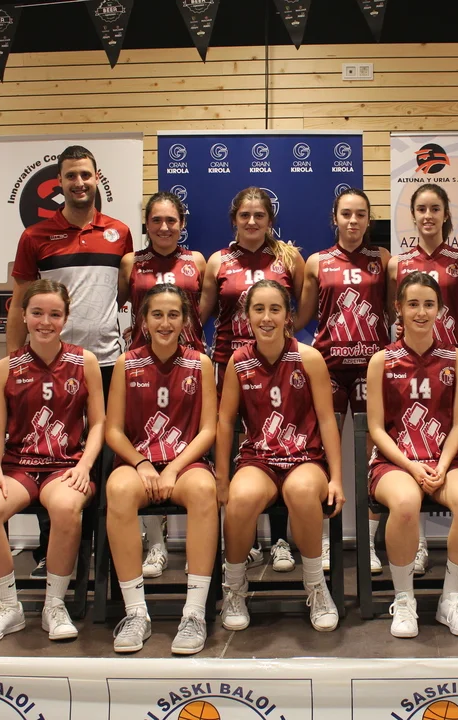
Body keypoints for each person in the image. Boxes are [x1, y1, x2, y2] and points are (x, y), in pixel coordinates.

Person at [7, 145, 133, 579]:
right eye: (71, 176)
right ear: (58, 183)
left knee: (101, 460)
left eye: (85, 175)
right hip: (50, 365)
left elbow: (121, 293)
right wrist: (15, 361)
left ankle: (96, 549)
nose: (79, 183)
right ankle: (52, 549)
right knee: (49, 452)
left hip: (107, 363)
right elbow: (19, 303)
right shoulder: (35, 236)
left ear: (96, 178)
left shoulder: (119, 233)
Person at [0, 280, 105, 643]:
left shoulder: (85, 362)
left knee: (65, 507)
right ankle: (8, 606)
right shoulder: (6, 367)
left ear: (66, 318)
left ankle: (54, 605)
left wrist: (84, 466)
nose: (46, 321)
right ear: (24, 316)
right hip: (19, 467)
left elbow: (99, 424)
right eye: (38, 313)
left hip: (66, 466)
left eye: (55, 314)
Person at [215, 280, 344, 633]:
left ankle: (315, 585)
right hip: (258, 459)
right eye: (259, 309)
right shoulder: (239, 362)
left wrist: (336, 478)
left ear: (288, 316)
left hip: (305, 458)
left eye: (275, 309)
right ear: (247, 316)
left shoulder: (309, 357)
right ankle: (235, 587)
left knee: (301, 492)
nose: (267, 317)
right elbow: (225, 422)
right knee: (241, 499)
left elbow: (327, 420)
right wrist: (223, 479)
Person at [366, 271, 458, 638]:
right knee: (404, 504)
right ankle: (404, 599)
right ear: (398, 308)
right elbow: (376, 429)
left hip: (444, 460)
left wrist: (442, 465)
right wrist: (411, 466)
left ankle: (451, 600)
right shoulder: (381, 360)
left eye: (429, 304)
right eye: (413, 304)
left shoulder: (456, 358)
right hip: (394, 463)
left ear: (440, 310)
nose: (421, 312)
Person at [104, 284, 218, 655]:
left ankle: (194, 613)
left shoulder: (200, 364)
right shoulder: (126, 363)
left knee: (204, 490)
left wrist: (174, 468)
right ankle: (136, 613)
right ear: (144, 321)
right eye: (157, 315)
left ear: (185, 322)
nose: (165, 323)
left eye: (173, 315)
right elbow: (113, 431)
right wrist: (141, 463)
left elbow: (208, 430)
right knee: (118, 490)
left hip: (185, 463)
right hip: (139, 463)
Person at [200, 187, 306, 574]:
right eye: (244, 215)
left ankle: (279, 540)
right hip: (230, 364)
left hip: (278, 365)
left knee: (277, 445)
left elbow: (303, 308)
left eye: (259, 215)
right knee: (237, 448)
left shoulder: (288, 257)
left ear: (270, 221)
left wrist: (284, 337)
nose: (251, 221)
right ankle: (244, 541)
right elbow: (202, 313)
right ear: (234, 220)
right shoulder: (218, 261)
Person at [297, 188, 391, 575]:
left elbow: (394, 311)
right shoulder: (317, 262)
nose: (353, 221)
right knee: (322, 454)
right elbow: (302, 317)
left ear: (369, 220)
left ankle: (368, 543)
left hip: (372, 368)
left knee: (374, 456)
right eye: (346, 214)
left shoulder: (382, 259)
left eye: (360, 215)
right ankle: (323, 541)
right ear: (334, 218)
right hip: (329, 368)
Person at [387, 184, 458, 576]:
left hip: (452, 365)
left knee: (450, 445)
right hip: (409, 366)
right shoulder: (398, 264)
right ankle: (418, 542)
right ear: (413, 215)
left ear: (445, 214)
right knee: (411, 439)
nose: (428, 215)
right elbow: (393, 313)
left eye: (435, 208)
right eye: (421, 209)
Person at [117, 191, 207, 581]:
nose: (165, 227)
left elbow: (203, 309)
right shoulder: (131, 262)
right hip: (142, 366)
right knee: (144, 443)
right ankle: (155, 543)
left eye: (172, 220)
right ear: (147, 224)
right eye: (157, 220)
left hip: (188, 365)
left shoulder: (197, 261)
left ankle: (197, 546)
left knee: (188, 448)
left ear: (182, 224)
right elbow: (120, 305)